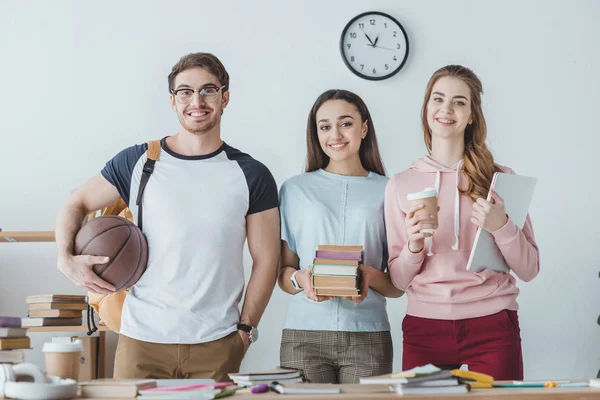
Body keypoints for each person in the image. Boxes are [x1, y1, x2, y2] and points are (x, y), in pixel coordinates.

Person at [55, 52, 280, 380]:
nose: (197, 101)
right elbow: (76, 202)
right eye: (185, 92)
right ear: (173, 101)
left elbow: (267, 261)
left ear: (225, 97)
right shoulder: (140, 161)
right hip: (141, 341)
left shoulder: (251, 174)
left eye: (208, 90)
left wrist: (245, 331)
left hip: (216, 342)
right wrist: (64, 258)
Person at [385, 65, 540, 380]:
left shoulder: (500, 179)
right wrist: (414, 246)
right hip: (424, 327)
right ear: (427, 109)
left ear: (471, 115)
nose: (446, 109)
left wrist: (501, 226)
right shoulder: (401, 184)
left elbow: (529, 269)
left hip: (493, 324)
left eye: (458, 102)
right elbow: (399, 281)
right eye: (438, 99)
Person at [277, 89, 404, 384]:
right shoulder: (295, 190)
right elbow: (284, 274)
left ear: (364, 127)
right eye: (325, 126)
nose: (335, 134)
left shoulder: (390, 190)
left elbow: (398, 286)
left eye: (345, 123)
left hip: (368, 334)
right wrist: (302, 280)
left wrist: (368, 276)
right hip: (303, 334)